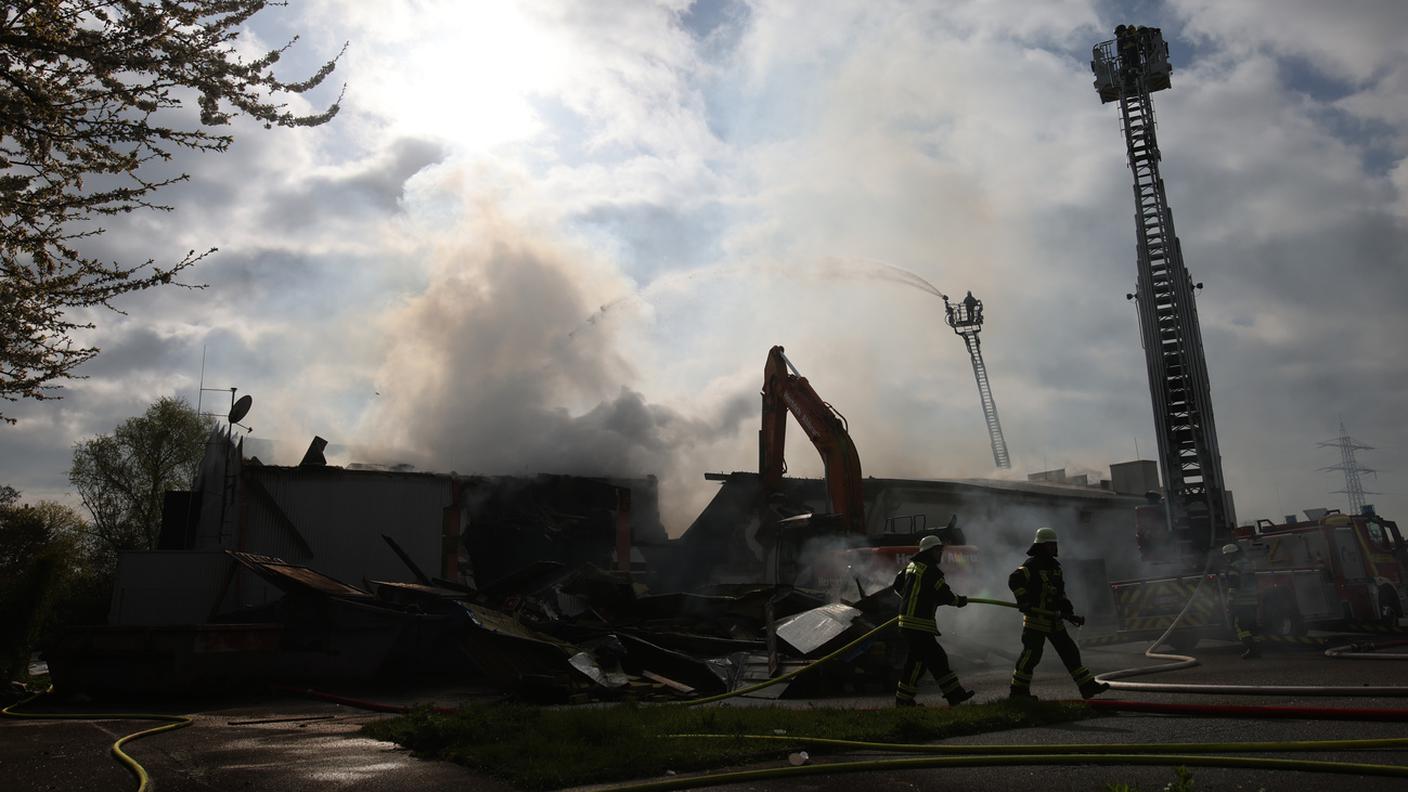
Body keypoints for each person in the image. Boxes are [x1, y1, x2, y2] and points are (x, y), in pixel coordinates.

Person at [1007, 527, 1110, 700]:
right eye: (1050, 545)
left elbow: (1060, 593)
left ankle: (1087, 686)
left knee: (1070, 652)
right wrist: (1023, 600)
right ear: (1041, 546)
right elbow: (1014, 580)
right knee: (1031, 656)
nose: (1053, 548)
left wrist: (1067, 610)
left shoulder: (1056, 567)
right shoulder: (1030, 566)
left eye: (1055, 544)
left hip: (1053, 619)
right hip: (1036, 620)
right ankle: (1018, 692)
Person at [892, 534, 975, 707]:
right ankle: (904, 700)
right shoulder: (932, 571)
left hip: (909, 622)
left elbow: (897, 586)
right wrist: (960, 601)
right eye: (938, 550)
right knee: (920, 663)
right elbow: (945, 595)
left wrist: (912, 599)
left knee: (933, 659)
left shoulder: (910, 567)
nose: (940, 554)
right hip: (918, 624)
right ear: (930, 551)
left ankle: (953, 694)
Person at [1222, 543, 1261, 659]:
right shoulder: (1248, 564)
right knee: (1251, 626)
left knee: (1240, 626)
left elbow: (1233, 586)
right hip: (1252, 600)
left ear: (1231, 555)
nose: (1227, 558)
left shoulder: (1233, 567)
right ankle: (1257, 649)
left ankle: (1252, 649)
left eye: (1227, 555)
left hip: (1240, 602)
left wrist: (1229, 602)